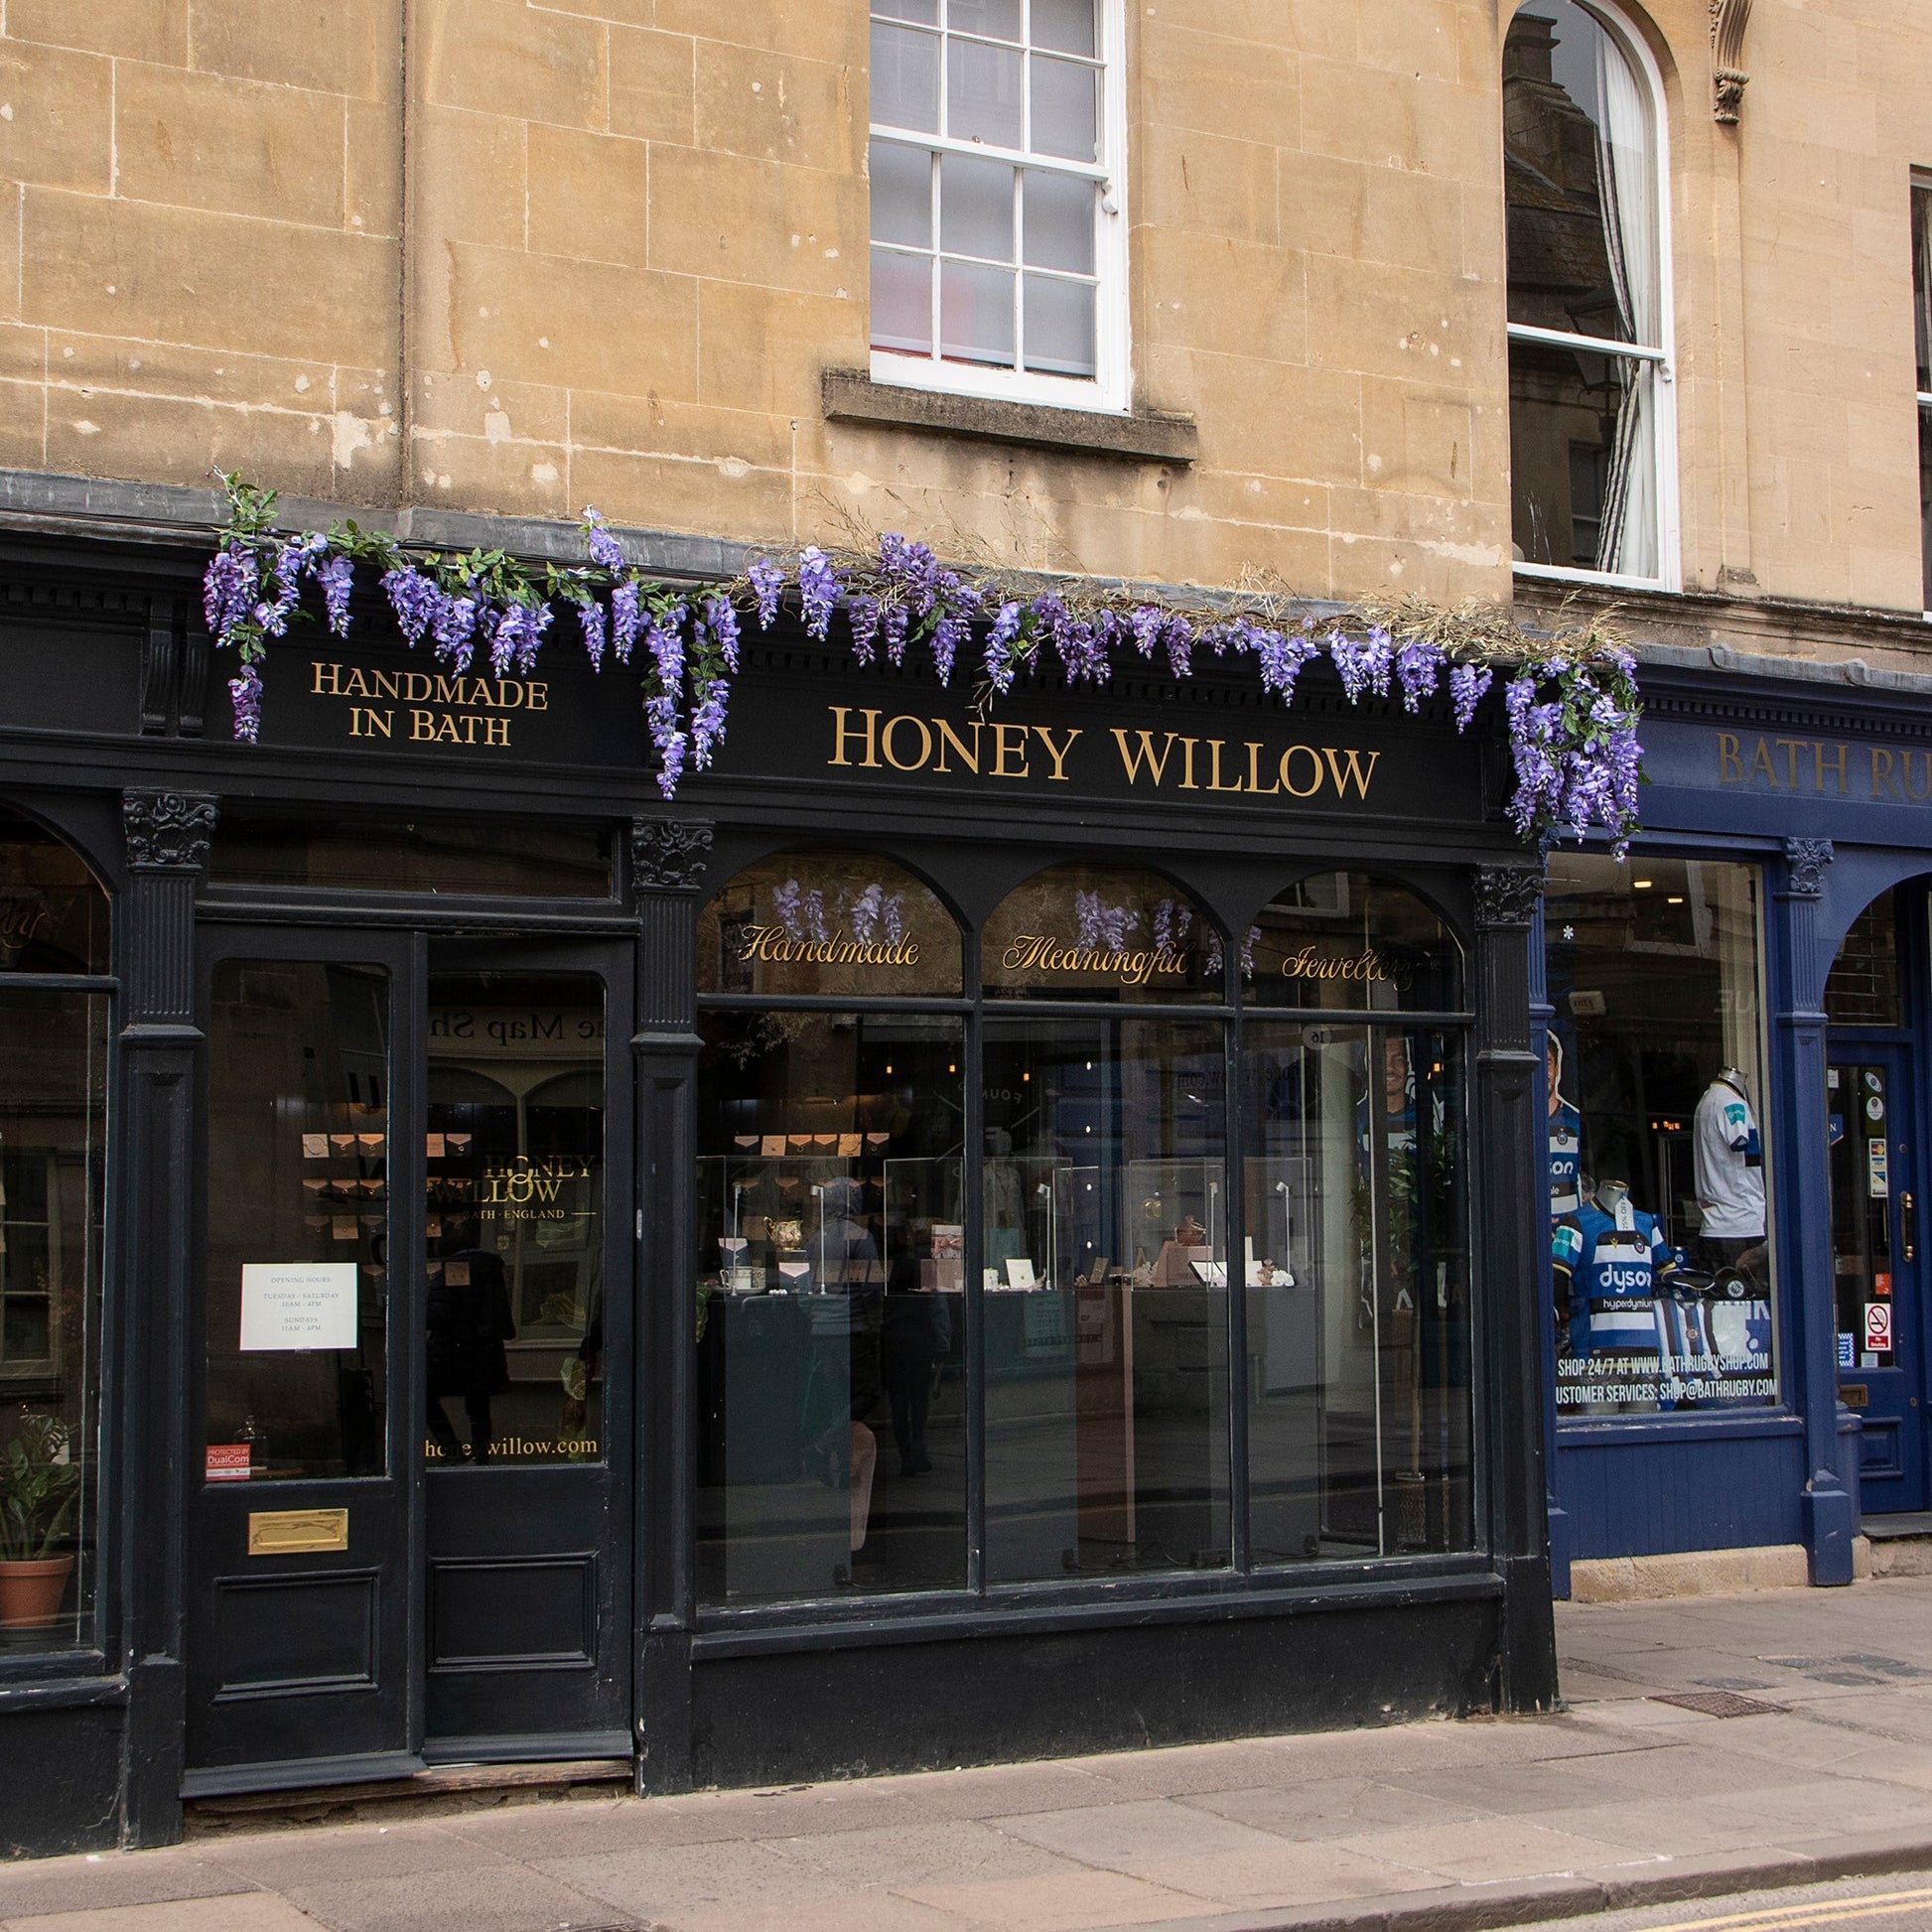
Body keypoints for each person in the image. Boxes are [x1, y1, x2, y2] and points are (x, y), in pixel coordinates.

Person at [426, 1235, 515, 1462]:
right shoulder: (492, 1268)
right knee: (479, 1407)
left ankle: (452, 1450)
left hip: (451, 1351)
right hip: (486, 1351)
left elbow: (438, 1314)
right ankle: (481, 1456)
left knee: (425, 1397)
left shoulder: (452, 1269)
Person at [1693, 1066, 1766, 1283]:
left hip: (1715, 1224)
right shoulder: (1732, 1103)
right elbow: (1740, 1142)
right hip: (1741, 1222)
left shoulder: (1706, 1101)